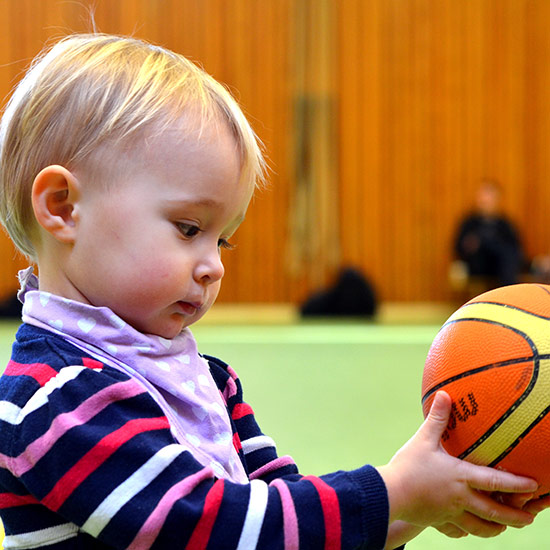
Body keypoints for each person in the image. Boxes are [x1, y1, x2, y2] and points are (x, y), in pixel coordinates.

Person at [0, 34, 546, 550]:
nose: (213, 266)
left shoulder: (209, 380)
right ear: (63, 208)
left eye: (223, 240)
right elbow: (209, 528)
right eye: (189, 228)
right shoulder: (56, 399)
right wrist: (395, 492)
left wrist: (417, 508)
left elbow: (284, 524)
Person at [453, 180, 524, 287]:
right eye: (483, 196)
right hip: (479, 264)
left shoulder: (504, 224)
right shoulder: (469, 222)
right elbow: (458, 247)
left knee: (506, 253)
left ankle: (509, 287)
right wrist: (469, 246)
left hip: (499, 265)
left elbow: (516, 248)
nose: (486, 200)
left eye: (490, 197)